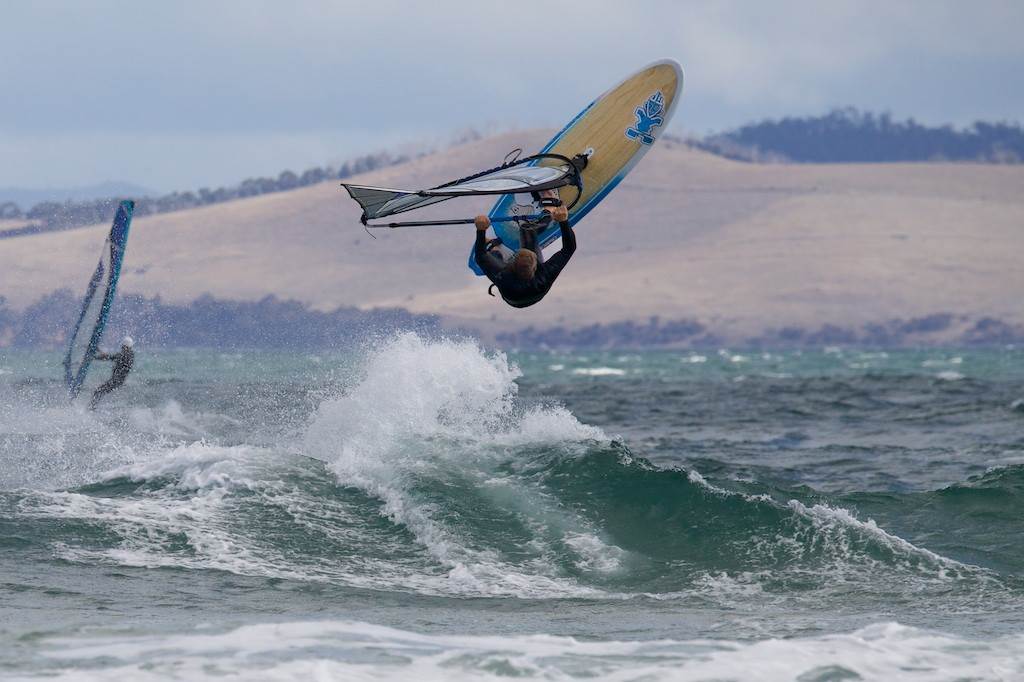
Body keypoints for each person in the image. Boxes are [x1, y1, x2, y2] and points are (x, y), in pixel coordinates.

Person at [474, 190, 576, 308]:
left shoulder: (502, 276)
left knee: (491, 254)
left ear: (512, 263)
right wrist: (563, 221)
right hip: (532, 291)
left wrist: (480, 230)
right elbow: (569, 249)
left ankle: (496, 250)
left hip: (511, 291)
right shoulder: (544, 275)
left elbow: (480, 256)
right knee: (526, 229)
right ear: (536, 266)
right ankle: (549, 210)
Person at [89, 336, 135, 409]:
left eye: (123, 346)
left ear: (124, 346)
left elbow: (110, 357)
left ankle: (91, 408)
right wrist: (99, 351)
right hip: (118, 381)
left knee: (98, 391)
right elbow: (111, 357)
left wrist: (94, 357)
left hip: (116, 381)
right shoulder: (129, 354)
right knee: (99, 392)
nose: (122, 348)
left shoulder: (125, 355)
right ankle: (92, 407)